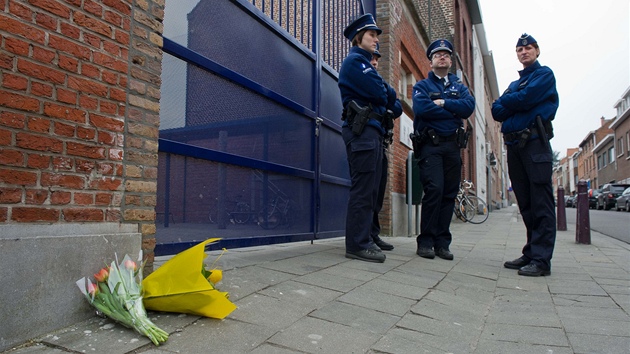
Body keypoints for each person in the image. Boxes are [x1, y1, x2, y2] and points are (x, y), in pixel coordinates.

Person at [491, 33, 559, 276]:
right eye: (520, 50)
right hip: (515, 147)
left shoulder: (544, 75)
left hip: (534, 145)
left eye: (528, 48)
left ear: (537, 51)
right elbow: (497, 111)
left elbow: (526, 97)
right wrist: (514, 101)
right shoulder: (513, 85)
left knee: (541, 202)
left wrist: (511, 101)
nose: (524, 52)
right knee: (526, 203)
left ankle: (541, 261)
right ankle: (531, 252)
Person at [338, 14, 401, 262]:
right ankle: (357, 244)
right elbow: (380, 92)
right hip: (361, 129)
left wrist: (386, 93)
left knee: (372, 189)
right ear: (359, 37)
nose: (376, 39)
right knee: (363, 189)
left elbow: (391, 101)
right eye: (372, 34)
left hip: (372, 130)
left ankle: (366, 237)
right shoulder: (356, 62)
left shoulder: (364, 63)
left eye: (377, 35)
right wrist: (386, 92)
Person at [411, 39, 475, 260]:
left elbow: (468, 107)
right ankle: (426, 241)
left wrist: (444, 103)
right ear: (431, 61)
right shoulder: (422, 86)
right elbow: (422, 109)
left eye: (446, 54)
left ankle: (442, 243)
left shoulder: (459, 87)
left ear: (450, 61)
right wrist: (452, 111)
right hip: (432, 146)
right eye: (437, 55)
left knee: (449, 194)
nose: (442, 57)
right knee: (434, 191)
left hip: (453, 147)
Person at [369, 46, 402, 252]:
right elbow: (383, 98)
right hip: (366, 138)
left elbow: (396, 105)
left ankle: (373, 234)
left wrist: (387, 106)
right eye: (371, 58)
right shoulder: (363, 78)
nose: (374, 62)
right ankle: (364, 236)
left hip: (381, 139)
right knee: (367, 191)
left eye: (377, 59)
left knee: (379, 190)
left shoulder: (380, 82)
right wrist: (386, 103)